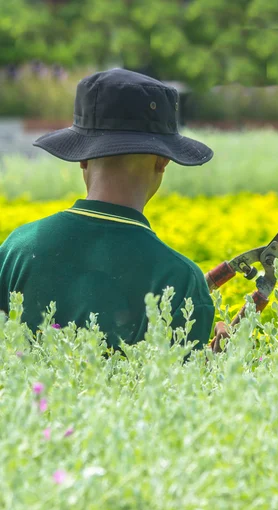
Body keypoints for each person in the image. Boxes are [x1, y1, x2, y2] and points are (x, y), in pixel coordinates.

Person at [0, 68, 228, 352]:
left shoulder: (16, 250)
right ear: (163, 161)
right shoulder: (181, 279)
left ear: (82, 157)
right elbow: (175, 390)